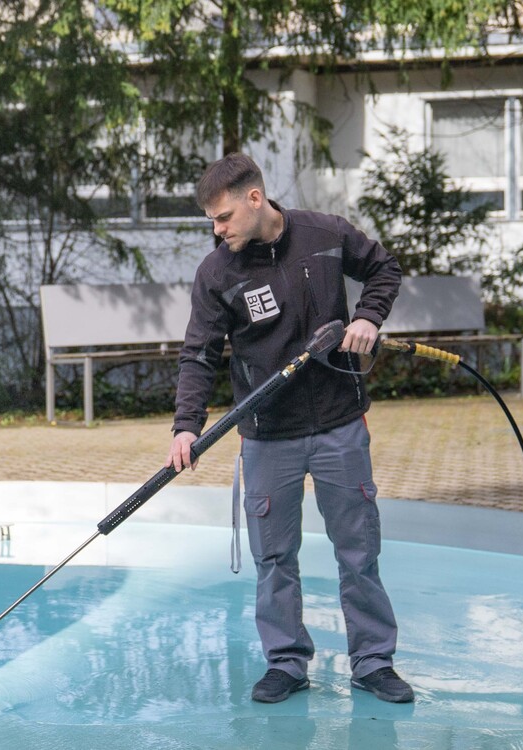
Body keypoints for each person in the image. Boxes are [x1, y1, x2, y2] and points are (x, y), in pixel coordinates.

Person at [165, 152, 413, 704]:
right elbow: (198, 355)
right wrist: (186, 427)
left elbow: (383, 269)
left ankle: (373, 662)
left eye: (224, 216)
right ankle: (286, 662)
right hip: (267, 434)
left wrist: (369, 317)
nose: (217, 228)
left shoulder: (325, 235)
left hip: (339, 425)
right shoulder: (218, 272)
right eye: (211, 219)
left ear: (256, 199)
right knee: (274, 558)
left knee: (357, 551)